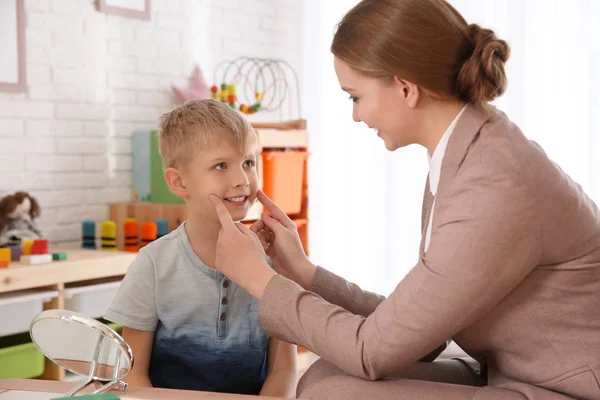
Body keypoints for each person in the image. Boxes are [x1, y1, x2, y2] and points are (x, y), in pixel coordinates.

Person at [207, 0, 600, 399]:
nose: (356, 117)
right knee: (325, 377)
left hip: (563, 386)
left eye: (354, 97)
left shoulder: (492, 185)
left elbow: (370, 351)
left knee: (334, 393)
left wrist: (260, 279)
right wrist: (304, 272)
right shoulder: (464, 154)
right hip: (509, 371)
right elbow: (413, 332)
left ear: (405, 88)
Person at [104, 100, 297, 397]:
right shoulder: (154, 264)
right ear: (180, 182)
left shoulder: (275, 263)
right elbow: (133, 372)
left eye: (248, 162)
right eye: (221, 165)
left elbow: (283, 371)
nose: (241, 180)